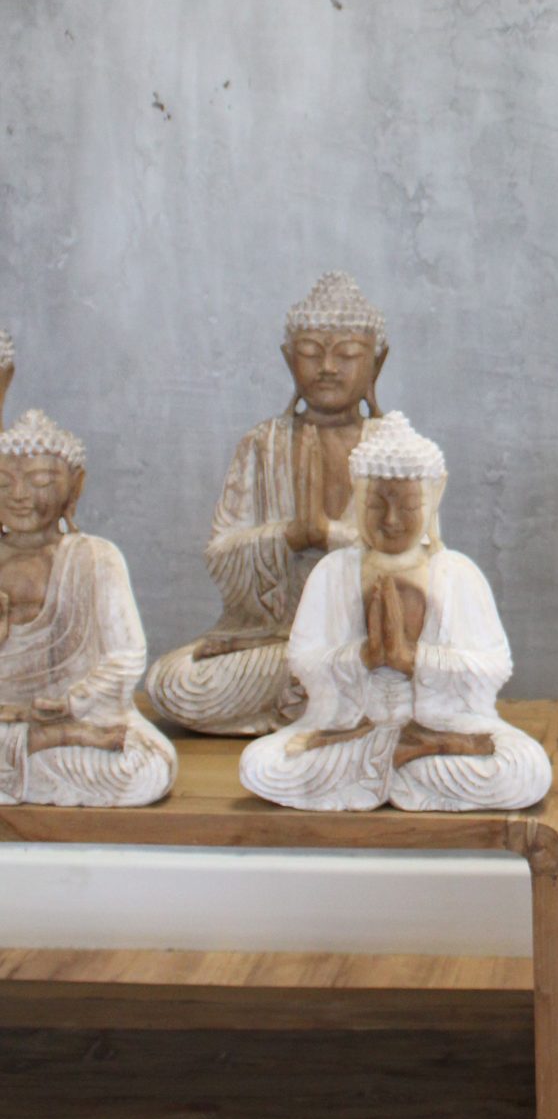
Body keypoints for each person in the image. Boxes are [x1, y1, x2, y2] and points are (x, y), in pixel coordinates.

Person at [239, 411, 550, 811]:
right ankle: (395, 755)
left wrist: (412, 659)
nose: (391, 520)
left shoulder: (457, 574)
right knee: (259, 765)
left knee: (525, 769)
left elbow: (494, 667)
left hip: (443, 727)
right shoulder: (333, 572)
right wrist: (364, 656)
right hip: (350, 726)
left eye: (408, 506)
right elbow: (302, 659)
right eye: (375, 505)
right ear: (358, 497)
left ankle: (404, 753)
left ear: (434, 496)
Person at [146, 271, 389, 733]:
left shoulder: (397, 448)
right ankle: (325, 701)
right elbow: (220, 553)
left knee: (402, 671)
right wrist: (290, 535)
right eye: (311, 353)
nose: (328, 367)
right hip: (274, 642)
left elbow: (422, 558)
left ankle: (325, 695)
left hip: (363, 643)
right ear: (288, 359)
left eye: (347, 354)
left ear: (377, 362)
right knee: (173, 682)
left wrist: (328, 534)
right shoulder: (261, 444)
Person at [0, 409, 175, 805]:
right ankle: (43, 743)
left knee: (147, 766)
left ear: (74, 487)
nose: (19, 495)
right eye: (3, 482)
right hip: (9, 715)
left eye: (40, 481)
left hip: (79, 714)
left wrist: (72, 701)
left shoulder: (95, 557)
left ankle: (40, 746)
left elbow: (125, 656)